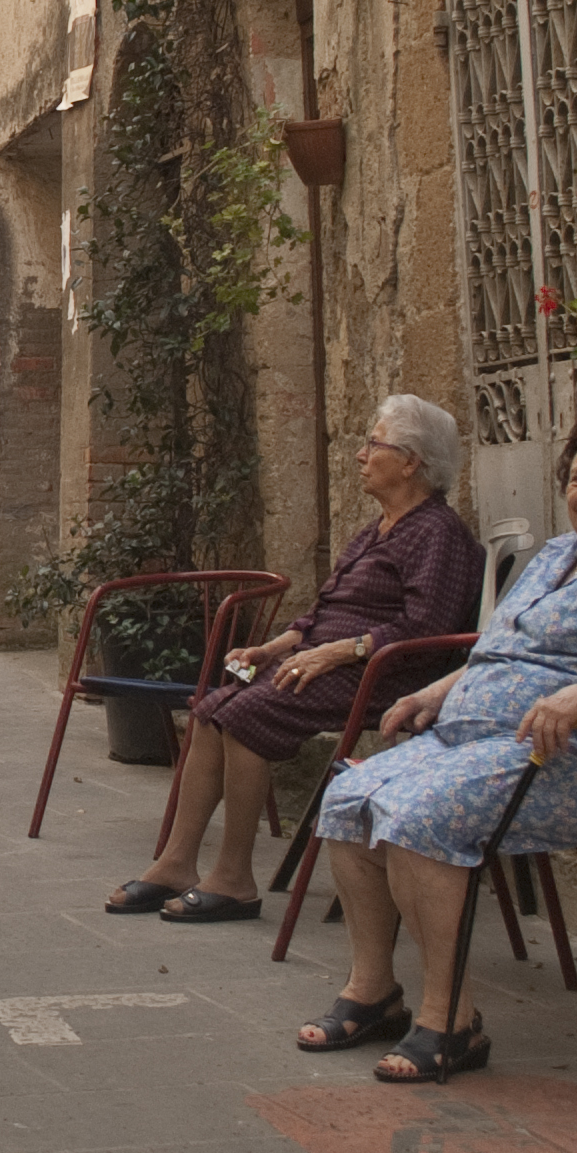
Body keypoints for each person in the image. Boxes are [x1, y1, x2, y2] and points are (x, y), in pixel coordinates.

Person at [292, 409, 577, 1084]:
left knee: (421, 816)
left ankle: (449, 1020)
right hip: (486, 743)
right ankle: (373, 992)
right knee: (350, 792)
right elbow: (503, 649)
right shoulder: (555, 555)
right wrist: (440, 689)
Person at [104, 395, 481, 923]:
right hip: (328, 660)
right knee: (212, 707)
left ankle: (235, 879)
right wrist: (274, 646)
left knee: (247, 715)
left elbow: (429, 627)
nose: (360, 454)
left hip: (387, 674)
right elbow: (323, 611)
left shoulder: (437, 533)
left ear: (411, 461)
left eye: (373, 444)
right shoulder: (378, 528)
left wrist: (341, 651)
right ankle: (176, 863)